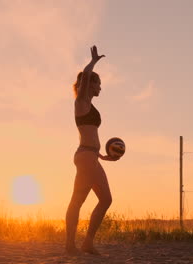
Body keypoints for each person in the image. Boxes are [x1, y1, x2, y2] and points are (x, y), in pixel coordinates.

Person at [65, 45, 118, 254]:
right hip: (85, 156)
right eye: (99, 84)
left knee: (106, 199)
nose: (100, 88)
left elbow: (91, 136)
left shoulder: (90, 105)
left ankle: (86, 242)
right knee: (77, 201)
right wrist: (93, 62)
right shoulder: (81, 101)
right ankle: (71, 244)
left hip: (91, 156)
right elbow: (85, 76)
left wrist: (103, 155)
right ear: (90, 84)